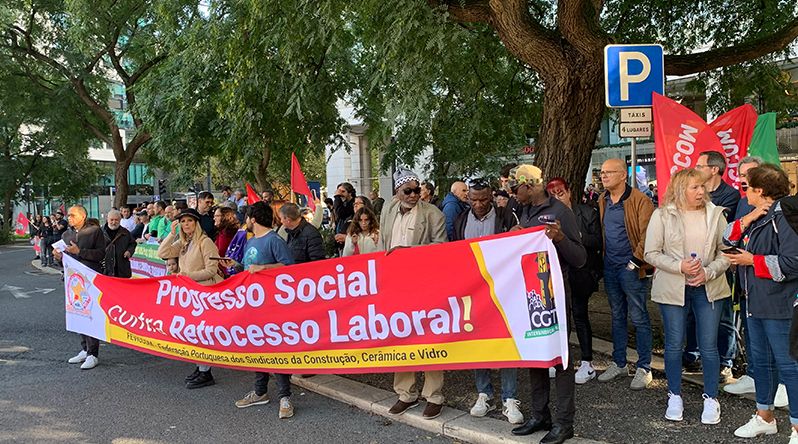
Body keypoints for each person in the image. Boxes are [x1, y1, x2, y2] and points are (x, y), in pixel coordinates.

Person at [506, 165, 586, 444]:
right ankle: (540, 415)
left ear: (530, 185)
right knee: (534, 351)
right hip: (529, 292)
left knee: (561, 357)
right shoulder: (523, 211)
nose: (514, 196)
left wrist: (561, 238)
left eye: (517, 189)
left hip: (555, 293)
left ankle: (565, 424)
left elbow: (580, 258)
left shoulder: (561, 212)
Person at [644, 168, 731, 424]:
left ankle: (711, 399)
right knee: (673, 345)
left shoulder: (716, 215)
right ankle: (674, 395)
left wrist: (709, 272)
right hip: (673, 288)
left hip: (709, 287)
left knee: (709, 346)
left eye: (702, 187)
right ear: (681, 189)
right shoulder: (662, 215)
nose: (701, 191)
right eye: (695, 187)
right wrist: (678, 266)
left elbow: (726, 252)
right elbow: (651, 253)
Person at [722, 164, 798, 441]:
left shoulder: (787, 217)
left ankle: (797, 426)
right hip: (754, 301)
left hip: (780, 305)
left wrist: (750, 260)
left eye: (746, 186)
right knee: (762, 363)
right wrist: (750, 218)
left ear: (760, 190)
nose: (743, 190)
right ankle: (764, 416)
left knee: (789, 366)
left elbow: (794, 262)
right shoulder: (759, 214)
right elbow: (725, 239)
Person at [451, 179, 521, 424]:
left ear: (492, 197)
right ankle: (484, 393)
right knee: (477, 342)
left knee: (506, 341)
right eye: (474, 199)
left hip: (503, 289)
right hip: (472, 291)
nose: (479, 204)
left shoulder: (505, 217)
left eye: (483, 199)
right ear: (467, 198)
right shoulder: (461, 220)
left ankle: (509, 398)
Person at [381, 166, 448, 420]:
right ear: (397, 192)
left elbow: (442, 249)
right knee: (401, 336)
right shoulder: (387, 208)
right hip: (395, 286)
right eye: (407, 191)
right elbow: (382, 244)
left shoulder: (434, 215)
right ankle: (405, 393)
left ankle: (434, 395)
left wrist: (407, 254)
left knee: (429, 337)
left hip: (425, 286)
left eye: (417, 190)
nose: (413, 195)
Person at [221, 202, 296, 419]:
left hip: (272, 305)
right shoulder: (251, 241)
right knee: (257, 347)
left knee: (277, 349)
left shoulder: (274, 240)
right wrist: (234, 265)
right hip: (253, 304)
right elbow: (247, 268)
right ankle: (260, 391)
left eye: (246, 217)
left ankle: (285, 397)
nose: (245, 221)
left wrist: (264, 268)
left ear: (253, 219)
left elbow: (290, 267)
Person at [596, 158, 655, 390]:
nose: (603, 176)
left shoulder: (640, 201)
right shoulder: (602, 200)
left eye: (608, 172)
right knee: (617, 315)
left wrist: (634, 262)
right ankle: (620, 362)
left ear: (623, 175)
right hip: (610, 267)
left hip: (631, 268)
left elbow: (647, 235)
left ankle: (644, 367)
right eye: (602, 172)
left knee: (639, 316)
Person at [684, 151, 740, 379]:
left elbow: (716, 227)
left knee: (724, 315)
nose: (695, 168)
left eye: (700, 165)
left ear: (714, 169)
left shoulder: (730, 196)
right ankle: (692, 355)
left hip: (719, 265)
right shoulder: (695, 192)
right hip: (692, 265)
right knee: (691, 312)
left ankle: (725, 361)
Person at [157, 208, 223, 389]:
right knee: (193, 333)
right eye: (183, 221)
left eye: (189, 221)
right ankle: (200, 367)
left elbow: (210, 270)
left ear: (196, 223)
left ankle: (206, 371)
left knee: (202, 333)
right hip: (190, 294)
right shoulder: (183, 243)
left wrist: (187, 276)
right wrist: (171, 234)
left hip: (204, 293)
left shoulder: (205, 242)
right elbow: (162, 253)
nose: (186, 224)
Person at [546, 177, 603, 385]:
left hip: (582, 271)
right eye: (552, 194)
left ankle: (587, 362)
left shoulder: (586, 212)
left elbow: (598, 240)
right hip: (557, 273)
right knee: (559, 317)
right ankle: (560, 358)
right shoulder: (547, 216)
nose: (557, 197)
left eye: (561, 192)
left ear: (569, 192)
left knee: (579, 314)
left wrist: (576, 236)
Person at [53, 205, 106, 370]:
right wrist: (58, 257)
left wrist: (80, 251)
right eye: (68, 215)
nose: (69, 218)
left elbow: (101, 254)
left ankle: (93, 354)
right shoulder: (66, 234)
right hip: (72, 280)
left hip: (90, 278)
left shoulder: (94, 231)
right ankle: (84, 348)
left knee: (90, 314)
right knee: (77, 313)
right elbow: (64, 260)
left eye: (72, 215)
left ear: (82, 216)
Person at [101, 209, 136, 278]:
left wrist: (129, 251)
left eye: (116, 220)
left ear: (120, 220)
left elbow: (132, 243)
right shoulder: (100, 232)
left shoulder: (125, 232)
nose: (114, 222)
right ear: (107, 219)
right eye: (111, 220)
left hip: (122, 269)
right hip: (105, 270)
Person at [333, 182, 355, 254]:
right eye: (339, 191)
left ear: (350, 193)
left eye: (343, 191)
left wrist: (337, 197)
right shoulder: (343, 203)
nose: (340, 194)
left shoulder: (353, 203)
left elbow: (341, 213)